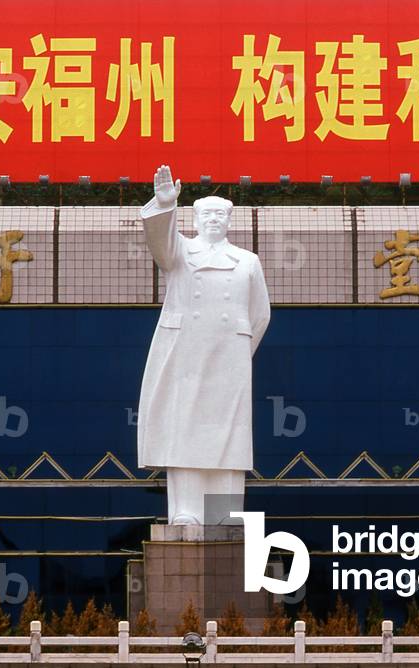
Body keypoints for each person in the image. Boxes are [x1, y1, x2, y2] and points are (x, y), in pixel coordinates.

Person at [137, 164, 271, 525]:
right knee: (186, 433)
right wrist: (166, 205)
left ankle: (225, 514)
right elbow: (161, 243)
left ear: (229, 220)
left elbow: (260, 314)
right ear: (195, 219)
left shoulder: (247, 261)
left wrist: (238, 351)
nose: (213, 220)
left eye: (220, 214)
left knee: (230, 437)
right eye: (206, 214)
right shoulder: (181, 252)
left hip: (230, 359)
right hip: (188, 356)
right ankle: (187, 512)